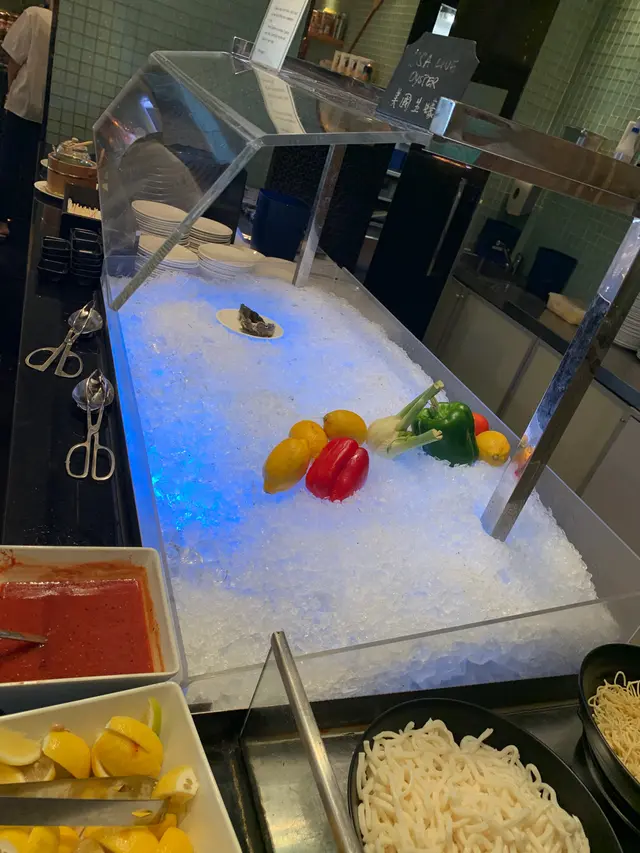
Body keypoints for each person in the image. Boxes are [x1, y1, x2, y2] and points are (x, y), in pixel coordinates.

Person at [0, 1, 53, 239]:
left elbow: (13, 59)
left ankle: (2, 221)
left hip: (23, 103)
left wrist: (10, 89)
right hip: (49, 112)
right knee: (36, 170)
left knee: (9, 162)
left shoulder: (34, 14)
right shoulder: (68, 28)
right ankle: (30, 226)